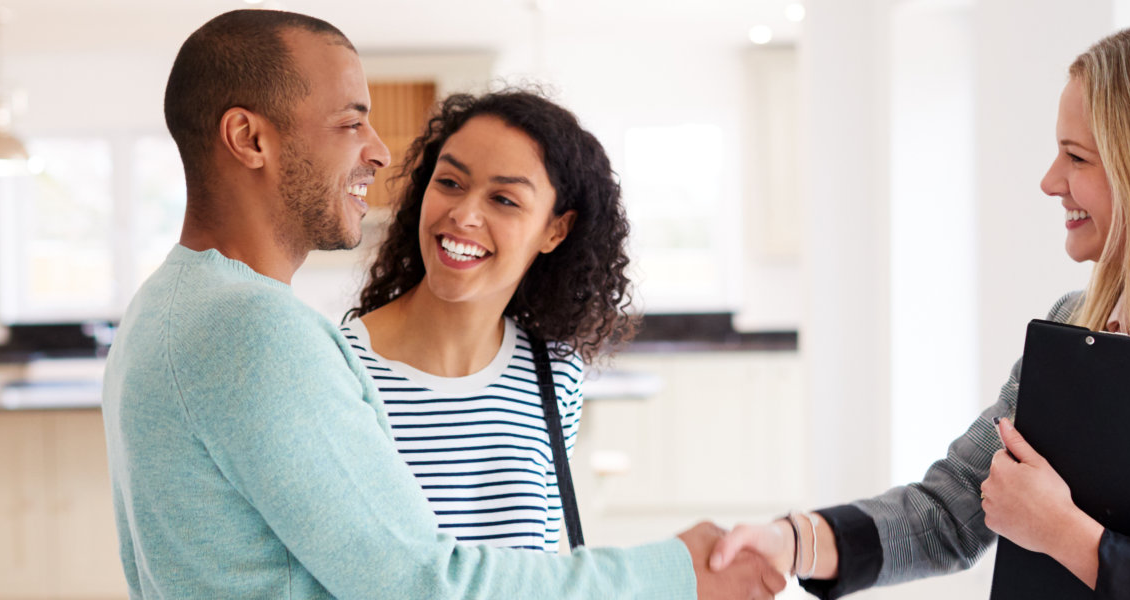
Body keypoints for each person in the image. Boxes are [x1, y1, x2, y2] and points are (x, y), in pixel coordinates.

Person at [100, 9, 783, 599]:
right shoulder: (257, 331)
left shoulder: (165, 308)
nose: (378, 150)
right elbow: (424, 585)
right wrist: (673, 574)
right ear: (251, 139)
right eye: (350, 123)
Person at [708, 20, 1130, 599]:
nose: (1049, 180)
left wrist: (1069, 536)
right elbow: (950, 510)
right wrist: (794, 541)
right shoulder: (1075, 323)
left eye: (1077, 157)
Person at [342, 89, 636, 554]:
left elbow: (537, 569)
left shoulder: (556, 374)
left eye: (503, 199)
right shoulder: (339, 370)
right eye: (451, 183)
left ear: (555, 230)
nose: (463, 214)